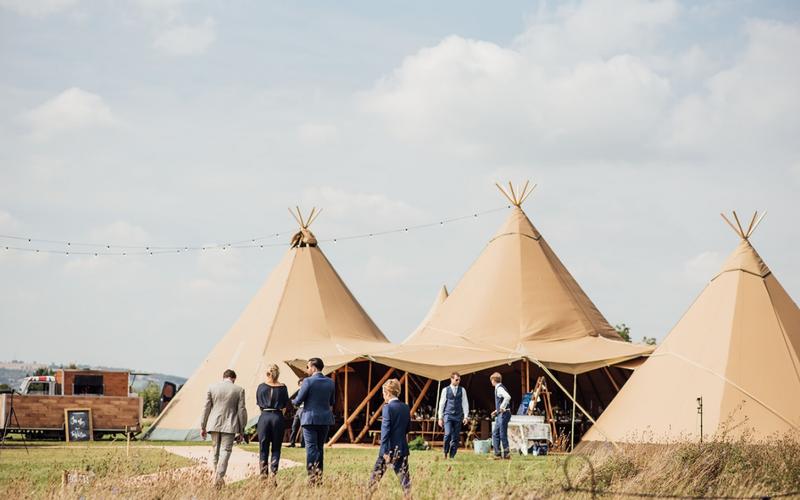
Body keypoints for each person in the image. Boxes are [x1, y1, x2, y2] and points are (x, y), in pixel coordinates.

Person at [291, 357, 335, 486]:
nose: (307, 369)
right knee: (319, 448)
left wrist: (292, 401)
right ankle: (319, 477)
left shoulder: (308, 382)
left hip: (310, 419)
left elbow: (298, 401)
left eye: (308, 367)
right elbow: (332, 401)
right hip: (325, 419)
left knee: (311, 449)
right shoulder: (330, 382)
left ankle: (312, 478)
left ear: (314, 367)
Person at [201, 369, 247, 487]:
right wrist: (242, 429)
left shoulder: (212, 388)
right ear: (233, 378)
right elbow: (241, 410)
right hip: (230, 424)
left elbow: (206, 408)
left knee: (216, 451)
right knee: (225, 451)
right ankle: (219, 477)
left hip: (214, 424)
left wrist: (203, 426)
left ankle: (217, 479)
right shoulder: (239, 390)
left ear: (223, 377)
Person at [368, 378, 411, 496]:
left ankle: (366, 496)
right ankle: (409, 497)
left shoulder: (387, 408)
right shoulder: (406, 407)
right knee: (405, 480)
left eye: (383, 394)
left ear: (388, 393)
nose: (383, 397)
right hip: (402, 448)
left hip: (388, 449)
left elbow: (385, 431)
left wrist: (385, 451)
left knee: (375, 477)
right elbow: (408, 429)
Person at [256, 364, 289, 479]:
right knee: (276, 447)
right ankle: (273, 473)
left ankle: (263, 473)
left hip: (264, 416)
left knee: (263, 446)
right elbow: (285, 406)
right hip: (277, 416)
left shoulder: (261, 387)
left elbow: (259, 405)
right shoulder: (283, 387)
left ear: (267, 374)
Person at [437, 372, 469, 459]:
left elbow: (465, 403)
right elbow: (441, 404)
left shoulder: (462, 390)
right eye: (456, 379)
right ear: (451, 379)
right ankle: (445, 452)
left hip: (458, 416)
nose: (458, 381)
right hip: (448, 415)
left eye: (459, 380)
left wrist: (466, 416)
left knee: (455, 436)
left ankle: (452, 455)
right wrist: (440, 418)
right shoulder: (445, 390)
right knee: (448, 434)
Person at [490, 372, 512, 460]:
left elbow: (507, 397)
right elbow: (503, 400)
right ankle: (498, 454)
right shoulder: (500, 387)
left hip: (504, 414)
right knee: (496, 433)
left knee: (501, 434)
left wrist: (502, 408)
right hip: (502, 413)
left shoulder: (499, 388)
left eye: (491, 380)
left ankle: (506, 454)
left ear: (493, 380)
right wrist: (497, 411)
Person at [287, 377, 305, 448]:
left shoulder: (306, 391)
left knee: (302, 427)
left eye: (302, 384)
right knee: (294, 426)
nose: (301, 385)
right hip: (298, 409)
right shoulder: (297, 391)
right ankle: (292, 443)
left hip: (304, 408)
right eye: (300, 384)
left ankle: (302, 444)